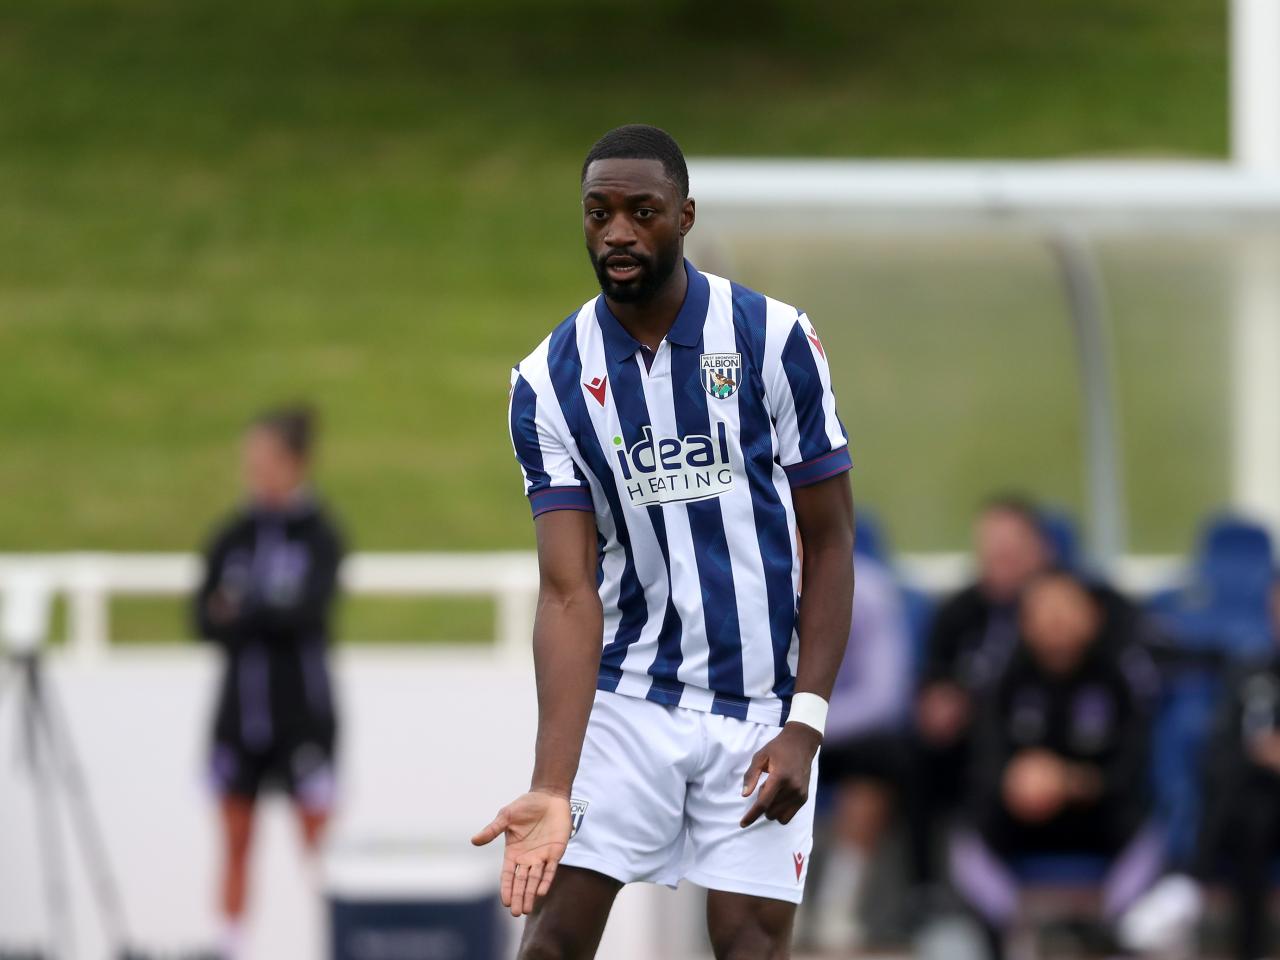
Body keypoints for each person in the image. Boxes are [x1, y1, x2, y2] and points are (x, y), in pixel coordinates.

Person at [472, 124, 856, 960]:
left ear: (683, 217)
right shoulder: (549, 381)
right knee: (552, 942)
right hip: (629, 698)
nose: (617, 232)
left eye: (641, 212)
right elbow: (568, 591)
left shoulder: (774, 339)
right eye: (598, 213)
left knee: (748, 944)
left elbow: (830, 542)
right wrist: (551, 781)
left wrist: (807, 723)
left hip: (761, 708)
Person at [193, 407, 346, 960]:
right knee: (234, 840)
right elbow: (202, 619)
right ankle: (229, 946)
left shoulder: (319, 534)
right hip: (238, 714)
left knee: (321, 848)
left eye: (265, 459)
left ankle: (340, 943)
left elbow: (305, 612)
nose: (254, 470)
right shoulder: (231, 534)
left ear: (295, 462)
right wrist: (256, 609)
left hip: (303, 714)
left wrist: (244, 608)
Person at [949, 572, 1162, 955]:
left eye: (1067, 609)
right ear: (1025, 622)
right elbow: (984, 762)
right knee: (970, 832)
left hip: (1095, 811)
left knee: (1147, 832)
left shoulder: (1121, 677)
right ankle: (1007, 932)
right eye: (1043, 611)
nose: (1056, 621)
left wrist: (1071, 780)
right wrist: (1015, 779)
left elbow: (1132, 769)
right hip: (1023, 811)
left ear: (1092, 617)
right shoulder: (1005, 678)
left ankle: (1114, 936)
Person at [1122, 577, 1280, 959]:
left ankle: (1188, 882)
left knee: (1246, 802)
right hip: (1260, 808)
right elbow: (1222, 746)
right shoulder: (1253, 673)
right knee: (1244, 802)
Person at [908, 497, 1054, 889]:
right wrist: (938, 704)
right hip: (968, 738)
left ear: (1040, 550)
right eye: (990, 550)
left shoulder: (1065, 606)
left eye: (1010, 550)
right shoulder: (958, 611)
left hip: (1046, 733)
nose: (998, 560)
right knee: (913, 755)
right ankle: (926, 895)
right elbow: (935, 681)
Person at [804, 552, 913, 951]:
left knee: (880, 759)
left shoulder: (868, 591)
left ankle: (837, 904)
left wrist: (806, 725)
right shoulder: (746, 579)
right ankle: (773, 894)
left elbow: (884, 698)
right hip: (777, 725)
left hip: (841, 732)